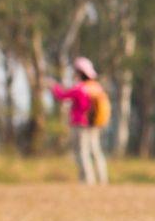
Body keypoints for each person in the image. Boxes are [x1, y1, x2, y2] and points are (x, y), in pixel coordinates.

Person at [45, 56, 109, 186]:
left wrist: (53, 86)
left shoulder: (80, 88)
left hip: (80, 124)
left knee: (82, 152)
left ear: (80, 72)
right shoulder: (97, 87)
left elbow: (61, 96)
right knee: (96, 151)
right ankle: (103, 180)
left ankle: (87, 181)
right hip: (94, 124)